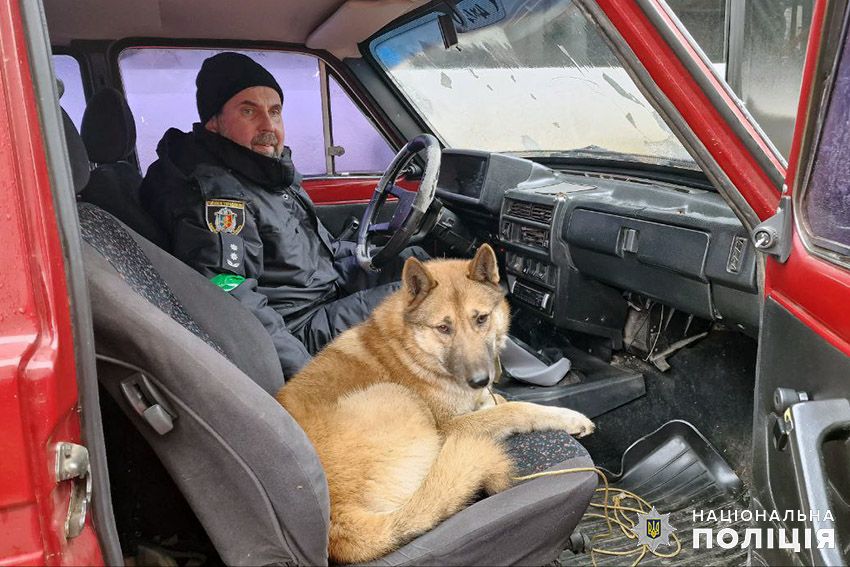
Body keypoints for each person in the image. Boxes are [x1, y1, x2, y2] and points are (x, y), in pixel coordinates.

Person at [140, 52, 426, 378]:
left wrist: (372, 255)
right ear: (214, 122)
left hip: (322, 288)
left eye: (274, 112)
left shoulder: (262, 172)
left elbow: (321, 251)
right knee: (436, 295)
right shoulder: (220, 198)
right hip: (302, 325)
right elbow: (232, 297)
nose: (268, 125)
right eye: (248, 111)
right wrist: (306, 379)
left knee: (419, 261)